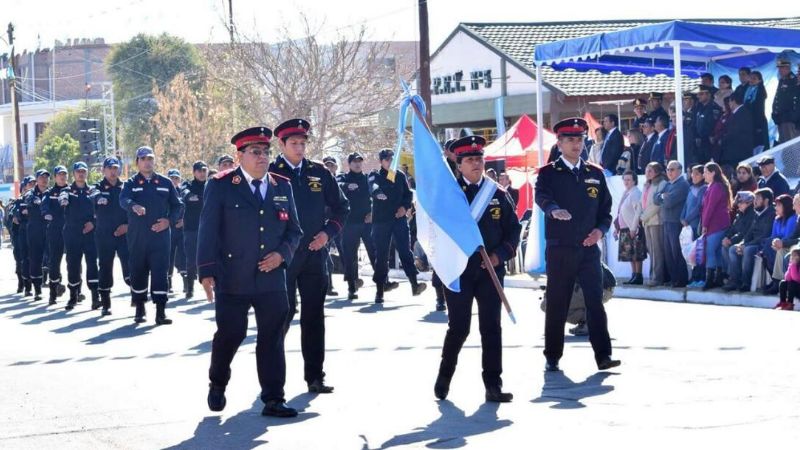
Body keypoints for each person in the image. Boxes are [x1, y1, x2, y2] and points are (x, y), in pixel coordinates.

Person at [199, 125, 303, 418]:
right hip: (233, 276)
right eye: (255, 152)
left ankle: (273, 398)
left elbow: (294, 231)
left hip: (272, 278)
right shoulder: (221, 185)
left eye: (266, 152)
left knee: (271, 337)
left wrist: (281, 255)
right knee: (232, 333)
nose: (262, 157)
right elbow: (208, 231)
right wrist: (206, 272)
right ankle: (218, 382)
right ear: (239, 155)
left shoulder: (282, 185)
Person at [433, 135, 521, 403]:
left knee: (491, 327)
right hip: (459, 270)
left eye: (479, 158)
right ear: (458, 165)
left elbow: (513, 232)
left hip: (490, 270)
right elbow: (437, 232)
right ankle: (444, 376)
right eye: (469, 160)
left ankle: (493, 384)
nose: (476, 164)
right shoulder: (448, 195)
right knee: (459, 327)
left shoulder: (497, 193)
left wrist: (499, 255)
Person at [269, 118, 349, 394]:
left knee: (314, 315)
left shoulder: (319, 173)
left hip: (315, 254)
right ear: (282, 144)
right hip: (284, 256)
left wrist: (328, 234)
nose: (300, 148)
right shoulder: (271, 173)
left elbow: (341, 208)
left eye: (303, 143)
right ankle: (271, 377)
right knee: (282, 313)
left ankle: (315, 375)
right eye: (294, 143)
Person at [534, 117, 620, 372]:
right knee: (558, 302)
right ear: (559, 143)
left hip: (588, 249)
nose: (576, 144)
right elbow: (541, 196)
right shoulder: (549, 173)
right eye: (569, 139)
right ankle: (552, 356)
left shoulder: (595, 173)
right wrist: (553, 210)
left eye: (580, 139)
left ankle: (603, 355)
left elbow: (606, 211)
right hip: (560, 248)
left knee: (595, 301)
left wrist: (600, 231)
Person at [119, 146, 183, 324]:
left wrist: (169, 221)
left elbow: (178, 206)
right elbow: (123, 200)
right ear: (137, 162)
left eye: (150, 158)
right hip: (138, 237)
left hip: (160, 238)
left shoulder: (165, 182)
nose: (147, 162)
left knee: (160, 272)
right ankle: (139, 308)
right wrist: (134, 206)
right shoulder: (130, 183)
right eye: (143, 159)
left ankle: (161, 312)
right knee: (138, 271)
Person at [369, 148, 427, 303]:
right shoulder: (375, 175)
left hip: (398, 219)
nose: (390, 162)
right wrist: (377, 193)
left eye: (392, 159)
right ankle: (380, 290)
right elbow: (372, 187)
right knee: (382, 255)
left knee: (405, 251)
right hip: (381, 221)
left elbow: (408, 195)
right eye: (387, 159)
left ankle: (414, 284)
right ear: (381, 161)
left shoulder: (399, 176)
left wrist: (405, 207)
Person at [92, 157, 130, 316]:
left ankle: (137, 296)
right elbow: (92, 194)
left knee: (130, 266)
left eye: (115, 168)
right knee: (105, 267)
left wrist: (127, 227)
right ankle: (105, 302)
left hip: (124, 233)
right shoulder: (98, 187)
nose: (113, 171)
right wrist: (98, 198)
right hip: (105, 235)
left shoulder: (126, 187)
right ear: (103, 170)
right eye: (110, 168)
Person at [60, 162, 100, 310]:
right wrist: (62, 200)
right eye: (78, 171)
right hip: (73, 234)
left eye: (83, 171)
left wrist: (93, 223)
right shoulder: (68, 191)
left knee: (92, 265)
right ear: (74, 174)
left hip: (90, 233)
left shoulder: (93, 190)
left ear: (87, 173)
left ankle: (95, 296)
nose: (81, 174)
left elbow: (100, 209)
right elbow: (62, 196)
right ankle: (73, 295)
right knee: (73, 265)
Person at [337, 152, 377, 300]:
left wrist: (373, 212)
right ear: (349, 164)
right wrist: (347, 186)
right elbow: (337, 185)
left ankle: (382, 283)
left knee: (375, 252)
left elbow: (377, 195)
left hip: (367, 222)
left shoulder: (368, 179)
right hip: (349, 223)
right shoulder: (343, 177)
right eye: (354, 162)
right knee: (350, 256)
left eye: (359, 161)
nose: (357, 164)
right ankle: (352, 287)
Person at [723, 188, 775, 292]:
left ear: (766, 201)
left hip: (763, 245)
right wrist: (742, 244)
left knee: (748, 250)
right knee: (733, 249)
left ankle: (746, 282)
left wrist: (746, 245)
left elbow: (764, 236)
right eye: (754, 198)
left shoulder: (771, 214)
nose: (754, 201)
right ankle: (735, 280)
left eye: (758, 199)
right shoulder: (757, 214)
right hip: (752, 243)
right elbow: (749, 233)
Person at [654, 160, 690, 287]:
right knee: (668, 252)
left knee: (676, 252)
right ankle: (673, 278)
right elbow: (655, 198)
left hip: (675, 222)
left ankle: (681, 279)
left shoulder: (682, 185)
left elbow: (669, 203)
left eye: (672, 169)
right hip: (666, 221)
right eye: (668, 169)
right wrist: (663, 196)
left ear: (679, 170)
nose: (669, 172)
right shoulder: (668, 184)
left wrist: (662, 197)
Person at [701, 162, 734, 290]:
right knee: (717, 252)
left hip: (715, 224)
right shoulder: (716, 186)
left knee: (710, 251)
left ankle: (710, 279)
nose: (704, 175)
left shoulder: (715, 187)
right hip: (721, 223)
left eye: (706, 172)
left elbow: (710, 208)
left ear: (713, 172)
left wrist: (705, 224)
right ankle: (718, 278)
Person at [20, 169, 51, 300]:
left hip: (51, 229)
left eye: (46, 177)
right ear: (37, 180)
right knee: (35, 259)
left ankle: (55, 284)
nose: (44, 179)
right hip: (35, 230)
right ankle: (37, 288)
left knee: (53, 257)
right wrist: (35, 200)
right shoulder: (30, 193)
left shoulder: (52, 192)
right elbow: (27, 198)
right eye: (41, 177)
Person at [180, 160, 208, 299]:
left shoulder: (211, 185)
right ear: (194, 172)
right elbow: (183, 191)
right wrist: (189, 196)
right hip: (191, 228)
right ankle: (190, 288)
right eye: (199, 171)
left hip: (209, 228)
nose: (202, 173)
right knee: (191, 260)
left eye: (204, 170)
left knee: (211, 258)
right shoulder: (188, 185)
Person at [42, 166, 69, 304]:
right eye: (59, 174)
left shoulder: (72, 191)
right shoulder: (49, 193)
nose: (62, 177)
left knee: (74, 261)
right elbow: (44, 206)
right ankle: (53, 292)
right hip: (55, 231)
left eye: (64, 174)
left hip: (71, 230)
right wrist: (46, 213)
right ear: (55, 177)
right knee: (54, 261)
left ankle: (77, 291)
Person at [761, 194, 798, 294]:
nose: (775, 207)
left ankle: (777, 282)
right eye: (775, 205)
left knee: (773, 249)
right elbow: (773, 236)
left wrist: (778, 242)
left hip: (788, 245)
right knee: (766, 246)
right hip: (780, 244)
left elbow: (789, 237)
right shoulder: (777, 219)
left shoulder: (792, 219)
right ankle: (775, 281)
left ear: (785, 206)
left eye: (778, 205)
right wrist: (774, 242)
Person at [720, 191, 756, 288]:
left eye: (741, 202)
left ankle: (736, 279)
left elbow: (745, 233)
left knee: (732, 249)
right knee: (723, 247)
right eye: (738, 202)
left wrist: (731, 241)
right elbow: (733, 228)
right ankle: (730, 275)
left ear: (749, 203)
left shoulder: (752, 214)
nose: (738, 204)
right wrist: (727, 237)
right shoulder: (740, 214)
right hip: (738, 241)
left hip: (748, 242)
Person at [614, 170, 644, 285]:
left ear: (634, 180)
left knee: (637, 253)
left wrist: (634, 228)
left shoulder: (635, 193)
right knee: (630, 254)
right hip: (624, 227)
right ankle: (634, 275)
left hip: (632, 227)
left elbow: (638, 211)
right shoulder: (626, 192)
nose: (626, 182)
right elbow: (620, 211)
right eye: (624, 179)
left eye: (628, 180)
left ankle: (638, 276)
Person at [641, 162, 667, 286]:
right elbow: (643, 203)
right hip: (647, 222)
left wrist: (644, 217)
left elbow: (656, 205)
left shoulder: (662, 184)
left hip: (656, 221)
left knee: (657, 250)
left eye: (650, 170)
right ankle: (652, 275)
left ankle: (658, 277)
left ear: (657, 172)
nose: (647, 173)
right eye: (646, 170)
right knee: (651, 250)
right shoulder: (647, 185)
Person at [681, 165, 708, 287]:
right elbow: (686, 205)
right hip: (688, 227)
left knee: (699, 253)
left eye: (696, 174)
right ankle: (693, 277)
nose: (693, 176)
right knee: (690, 254)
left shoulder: (704, 189)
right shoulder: (691, 188)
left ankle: (701, 277)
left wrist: (687, 219)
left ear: (703, 175)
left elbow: (698, 207)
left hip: (697, 225)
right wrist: (682, 217)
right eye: (692, 173)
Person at [11, 177, 36, 296]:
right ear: (24, 186)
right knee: (22, 259)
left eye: (34, 183)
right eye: (30, 183)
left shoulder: (39, 198)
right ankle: (24, 284)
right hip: (22, 234)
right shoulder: (20, 200)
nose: (32, 185)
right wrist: (17, 215)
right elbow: (15, 215)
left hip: (38, 233)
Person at [770, 193, 800, 284]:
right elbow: (794, 236)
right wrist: (781, 242)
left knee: (786, 255)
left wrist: (783, 243)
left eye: (794, 204)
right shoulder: (799, 218)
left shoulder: (794, 218)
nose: (793, 208)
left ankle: (786, 282)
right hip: (797, 245)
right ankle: (780, 281)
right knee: (779, 250)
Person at [167, 168, 187, 295]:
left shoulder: (184, 192)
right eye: (172, 178)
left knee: (183, 256)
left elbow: (189, 209)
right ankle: (168, 284)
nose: (174, 181)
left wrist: (184, 221)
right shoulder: (165, 192)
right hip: (169, 229)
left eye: (176, 178)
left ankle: (186, 284)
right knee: (168, 257)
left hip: (182, 229)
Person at [721, 91, 754, 168]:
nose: (729, 104)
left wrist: (723, 139)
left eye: (729, 101)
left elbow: (734, 131)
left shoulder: (743, 113)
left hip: (740, 152)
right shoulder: (737, 113)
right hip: (734, 152)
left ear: (733, 101)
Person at [772, 59, 799, 144]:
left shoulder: (793, 80)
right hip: (781, 118)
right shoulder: (782, 80)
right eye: (779, 68)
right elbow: (778, 98)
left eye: (782, 68)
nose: (780, 70)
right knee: (783, 144)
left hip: (789, 119)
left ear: (787, 68)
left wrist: (792, 116)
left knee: (791, 145)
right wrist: (775, 113)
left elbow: (794, 101)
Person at [695, 85, 723, 164]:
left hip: (709, 142)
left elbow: (714, 125)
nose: (698, 96)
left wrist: (711, 136)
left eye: (701, 94)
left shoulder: (715, 108)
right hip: (700, 143)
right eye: (698, 94)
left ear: (708, 94)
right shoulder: (699, 107)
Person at [744, 71, 770, 151]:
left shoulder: (760, 90)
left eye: (754, 78)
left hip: (758, 121)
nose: (751, 80)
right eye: (750, 78)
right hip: (749, 121)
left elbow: (759, 109)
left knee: (759, 145)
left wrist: (758, 125)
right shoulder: (748, 89)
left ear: (760, 80)